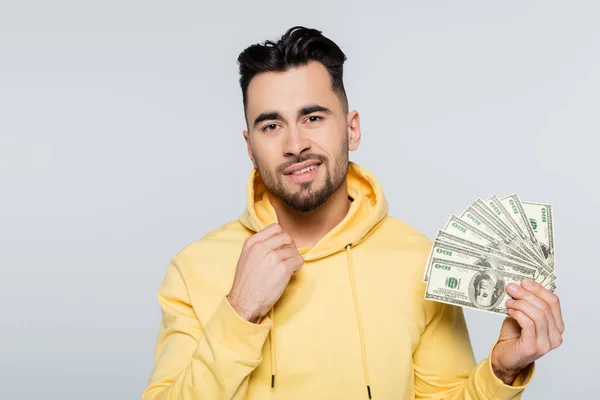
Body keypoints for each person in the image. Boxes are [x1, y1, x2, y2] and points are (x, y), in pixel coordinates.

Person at [141, 26, 564, 400]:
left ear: (351, 128)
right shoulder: (192, 269)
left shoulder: (418, 260)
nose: (295, 144)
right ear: (250, 147)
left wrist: (501, 371)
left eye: (312, 116)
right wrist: (239, 311)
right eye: (271, 126)